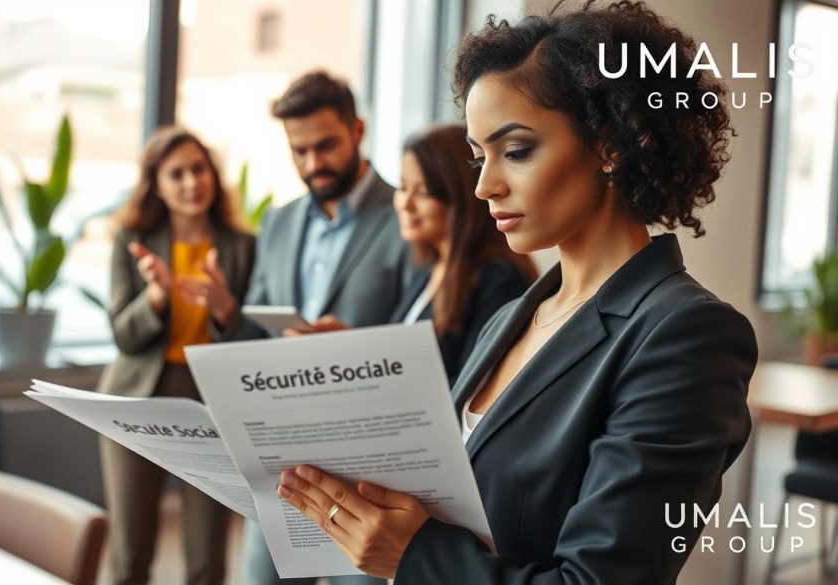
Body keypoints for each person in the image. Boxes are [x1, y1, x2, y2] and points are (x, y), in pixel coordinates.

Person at [272, 2, 759, 584]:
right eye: (479, 157)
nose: (484, 185)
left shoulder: (686, 335)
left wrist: (415, 558)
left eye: (517, 151)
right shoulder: (510, 318)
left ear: (610, 147)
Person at [218, 71, 408, 585]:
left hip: (372, 472)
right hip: (284, 463)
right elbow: (255, 338)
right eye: (298, 151)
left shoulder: (407, 215)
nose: (312, 164)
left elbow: (427, 338)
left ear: (358, 130)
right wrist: (224, 314)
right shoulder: (277, 224)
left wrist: (350, 350)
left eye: (325, 146)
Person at [97, 126, 255, 585]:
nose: (191, 182)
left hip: (212, 403)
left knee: (207, 557)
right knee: (130, 555)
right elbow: (123, 336)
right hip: (138, 399)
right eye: (177, 174)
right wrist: (156, 296)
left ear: (213, 174)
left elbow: (251, 342)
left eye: (199, 169)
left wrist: (225, 307)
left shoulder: (242, 246)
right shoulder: (133, 240)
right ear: (157, 186)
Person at [304, 124, 537, 382]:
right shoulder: (430, 269)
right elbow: (403, 365)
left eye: (423, 192)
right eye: (403, 187)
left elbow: (474, 388)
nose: (405, 204)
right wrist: (351, 347)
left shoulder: (498, 279)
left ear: (459, 198)